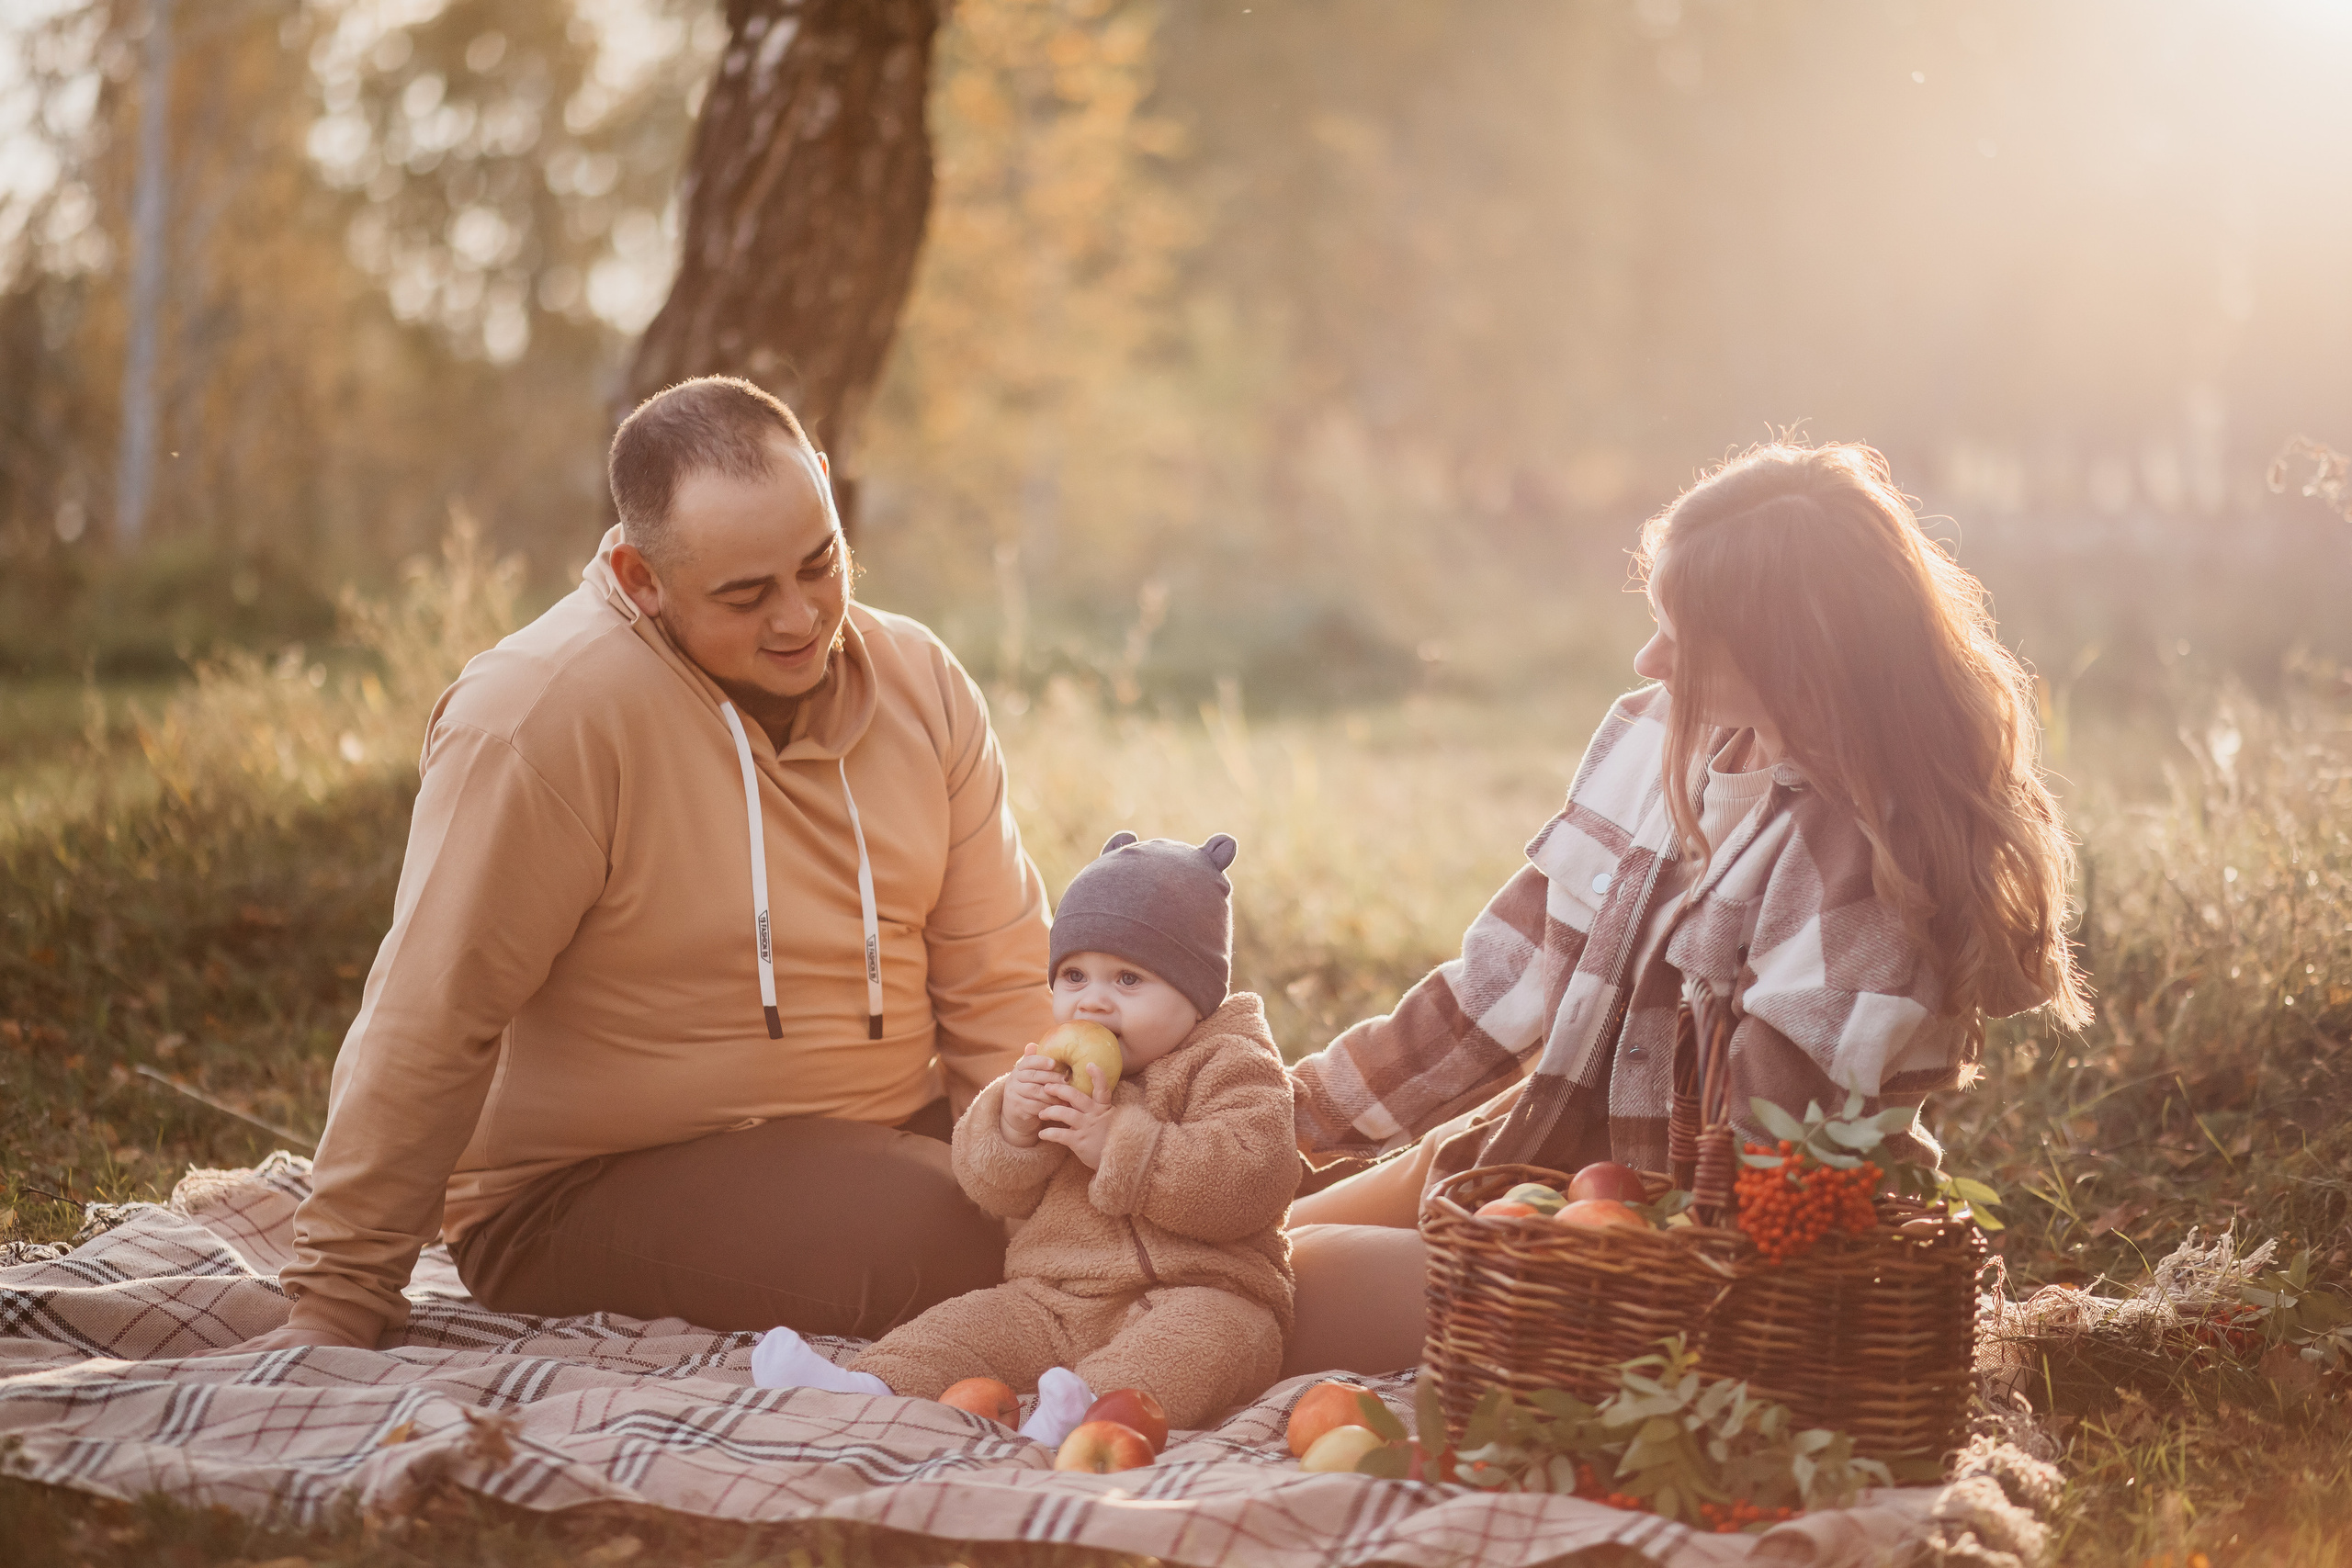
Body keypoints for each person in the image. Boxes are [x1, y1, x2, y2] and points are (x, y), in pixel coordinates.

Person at [222, 376, 1056, 1357]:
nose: (798, 620)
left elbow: (998, 975)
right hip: (582, 1190)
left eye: (819, 563)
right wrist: (337, 1299)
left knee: (1154, 1149)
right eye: (745, 595)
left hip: (882, 1136)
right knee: (937, 1230)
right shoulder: (543, 718)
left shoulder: (921, 684)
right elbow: (432, 1013)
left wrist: (1044, 1174)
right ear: (641, 573)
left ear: (827, 491)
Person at [1280, 441, 2092, 1374]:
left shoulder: (1868, 864)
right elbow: (1496, 988)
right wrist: (1264, 1128)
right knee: (1231, 1243)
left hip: (1658, 1268)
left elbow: (1761, 1169)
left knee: (1267, 1284)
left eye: (1687, 638)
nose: (1647, 656)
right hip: (1542, 1159)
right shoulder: (1653, 732)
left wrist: (1582, 1248)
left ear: (1798, 661)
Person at [750, 832, 1296, 1441]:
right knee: (971, 1321)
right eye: (1074, 975)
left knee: (1203, 1343)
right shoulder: (1057, 1067)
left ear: (1197, 993)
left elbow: (1254, 1179)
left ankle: (1087, 1414)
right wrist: (1012, 1126)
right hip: (1057, 1297)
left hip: (1202, 1291)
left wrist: (1120, 1143)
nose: (1093, 1002)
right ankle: (869, 1383)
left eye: (1127, 979)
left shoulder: (1233, 1064)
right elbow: (993, 1191)